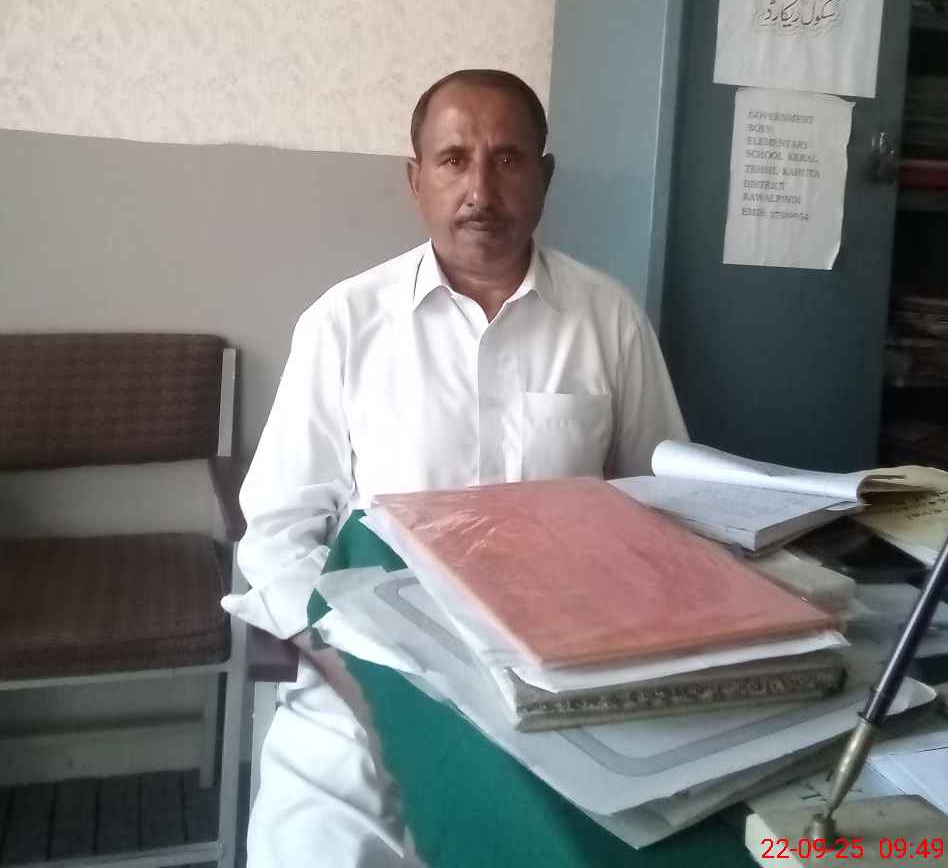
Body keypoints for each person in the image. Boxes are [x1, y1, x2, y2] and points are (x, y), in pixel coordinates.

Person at [223, 68, 686, 867]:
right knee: (313, 851)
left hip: (565, 677)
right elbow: (277, 530)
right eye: (453, 160)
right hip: (373, 668)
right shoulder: (346, 323)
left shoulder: (608, 320)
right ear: (416, 179)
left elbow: (664, 509)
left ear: (544, 176)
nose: (481, 190)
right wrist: (347, 667)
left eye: (507, 160)